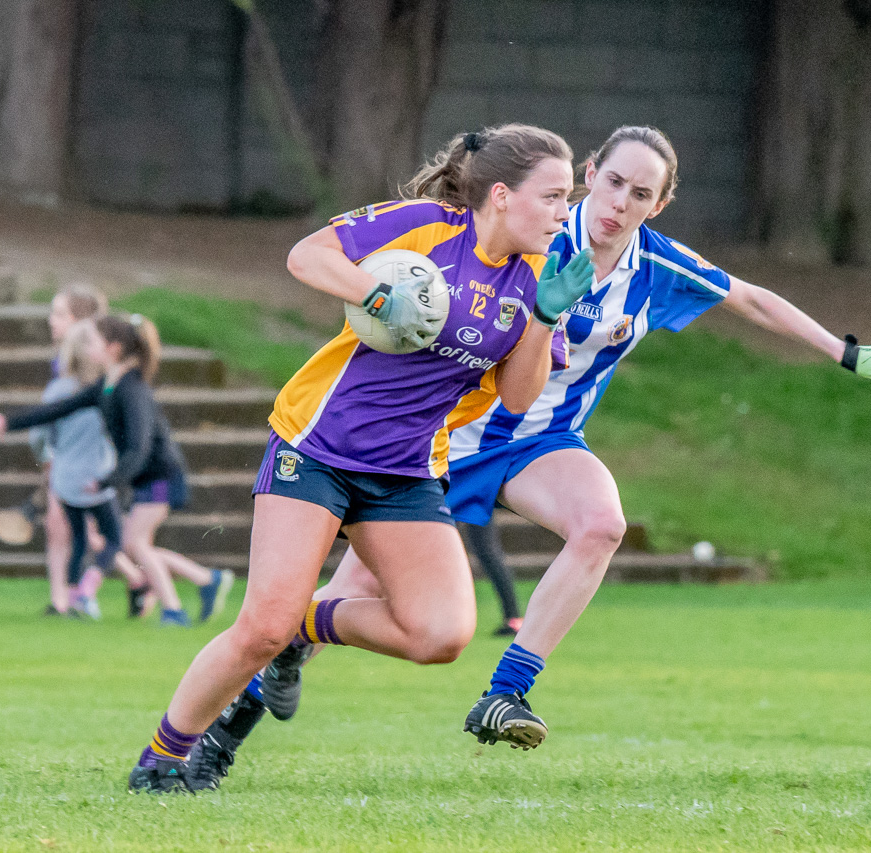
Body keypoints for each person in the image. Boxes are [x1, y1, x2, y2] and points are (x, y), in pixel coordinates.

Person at [186, 125, 871, 787]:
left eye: (641, 194)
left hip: (541, 441)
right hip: (443, 442)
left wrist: (844, 351)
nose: (618, 203)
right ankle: (228, 729)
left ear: (658, 206)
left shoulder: (654, 265)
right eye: (611, 183)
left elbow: (751, 299)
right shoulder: (532, 226)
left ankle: (507, 689)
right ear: (589, 174)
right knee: (349, 605)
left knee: (601, 524)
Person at [118, 123, 594, 794]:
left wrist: (544, 319)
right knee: (259, 627)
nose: (563, 212)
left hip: (405, 471)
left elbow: (515, 400)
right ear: (501, 195)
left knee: (442, 634)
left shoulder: (539, 280)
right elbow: (306, 256)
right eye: (551, 196)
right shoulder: (428, 227)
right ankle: (162, 760)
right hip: (317, 445)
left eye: (566, 198)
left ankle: (305, 626)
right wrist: (376, 295)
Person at [0, 314, 234, 627]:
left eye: (91, 341)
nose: (84, 347)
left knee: (133, 543)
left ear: (113, 348)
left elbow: (139, 448)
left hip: (161, 477)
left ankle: (175, 609)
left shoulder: (132, 389)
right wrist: (7, 422)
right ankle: (206, 580)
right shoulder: (108, 386)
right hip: (141, 478)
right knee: (132, 543)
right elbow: (60, 408)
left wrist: (107, 481)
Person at [36, 319, 130, 621]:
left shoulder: (56, 389)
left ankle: (73, 598)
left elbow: (40, 435)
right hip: (96, 476)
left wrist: (48, 457)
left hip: (64, 478)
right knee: (113, 537)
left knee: (78, 539)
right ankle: (87, 590)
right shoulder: (105, 390)